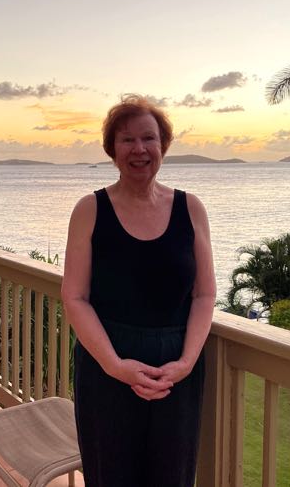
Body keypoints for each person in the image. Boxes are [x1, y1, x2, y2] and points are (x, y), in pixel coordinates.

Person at [61, 95, 216, 487]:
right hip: (106, 366)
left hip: (175, 371)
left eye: (149, 138)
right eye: (127, 140)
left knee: (173, 476)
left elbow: (204, 295)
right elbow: (75, 296)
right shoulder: (90, 209)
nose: (139, 149)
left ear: (163, 145)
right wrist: (115, 364)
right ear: (112, 149)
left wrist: (185, 363)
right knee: (110, 475)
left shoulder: (191, 208)